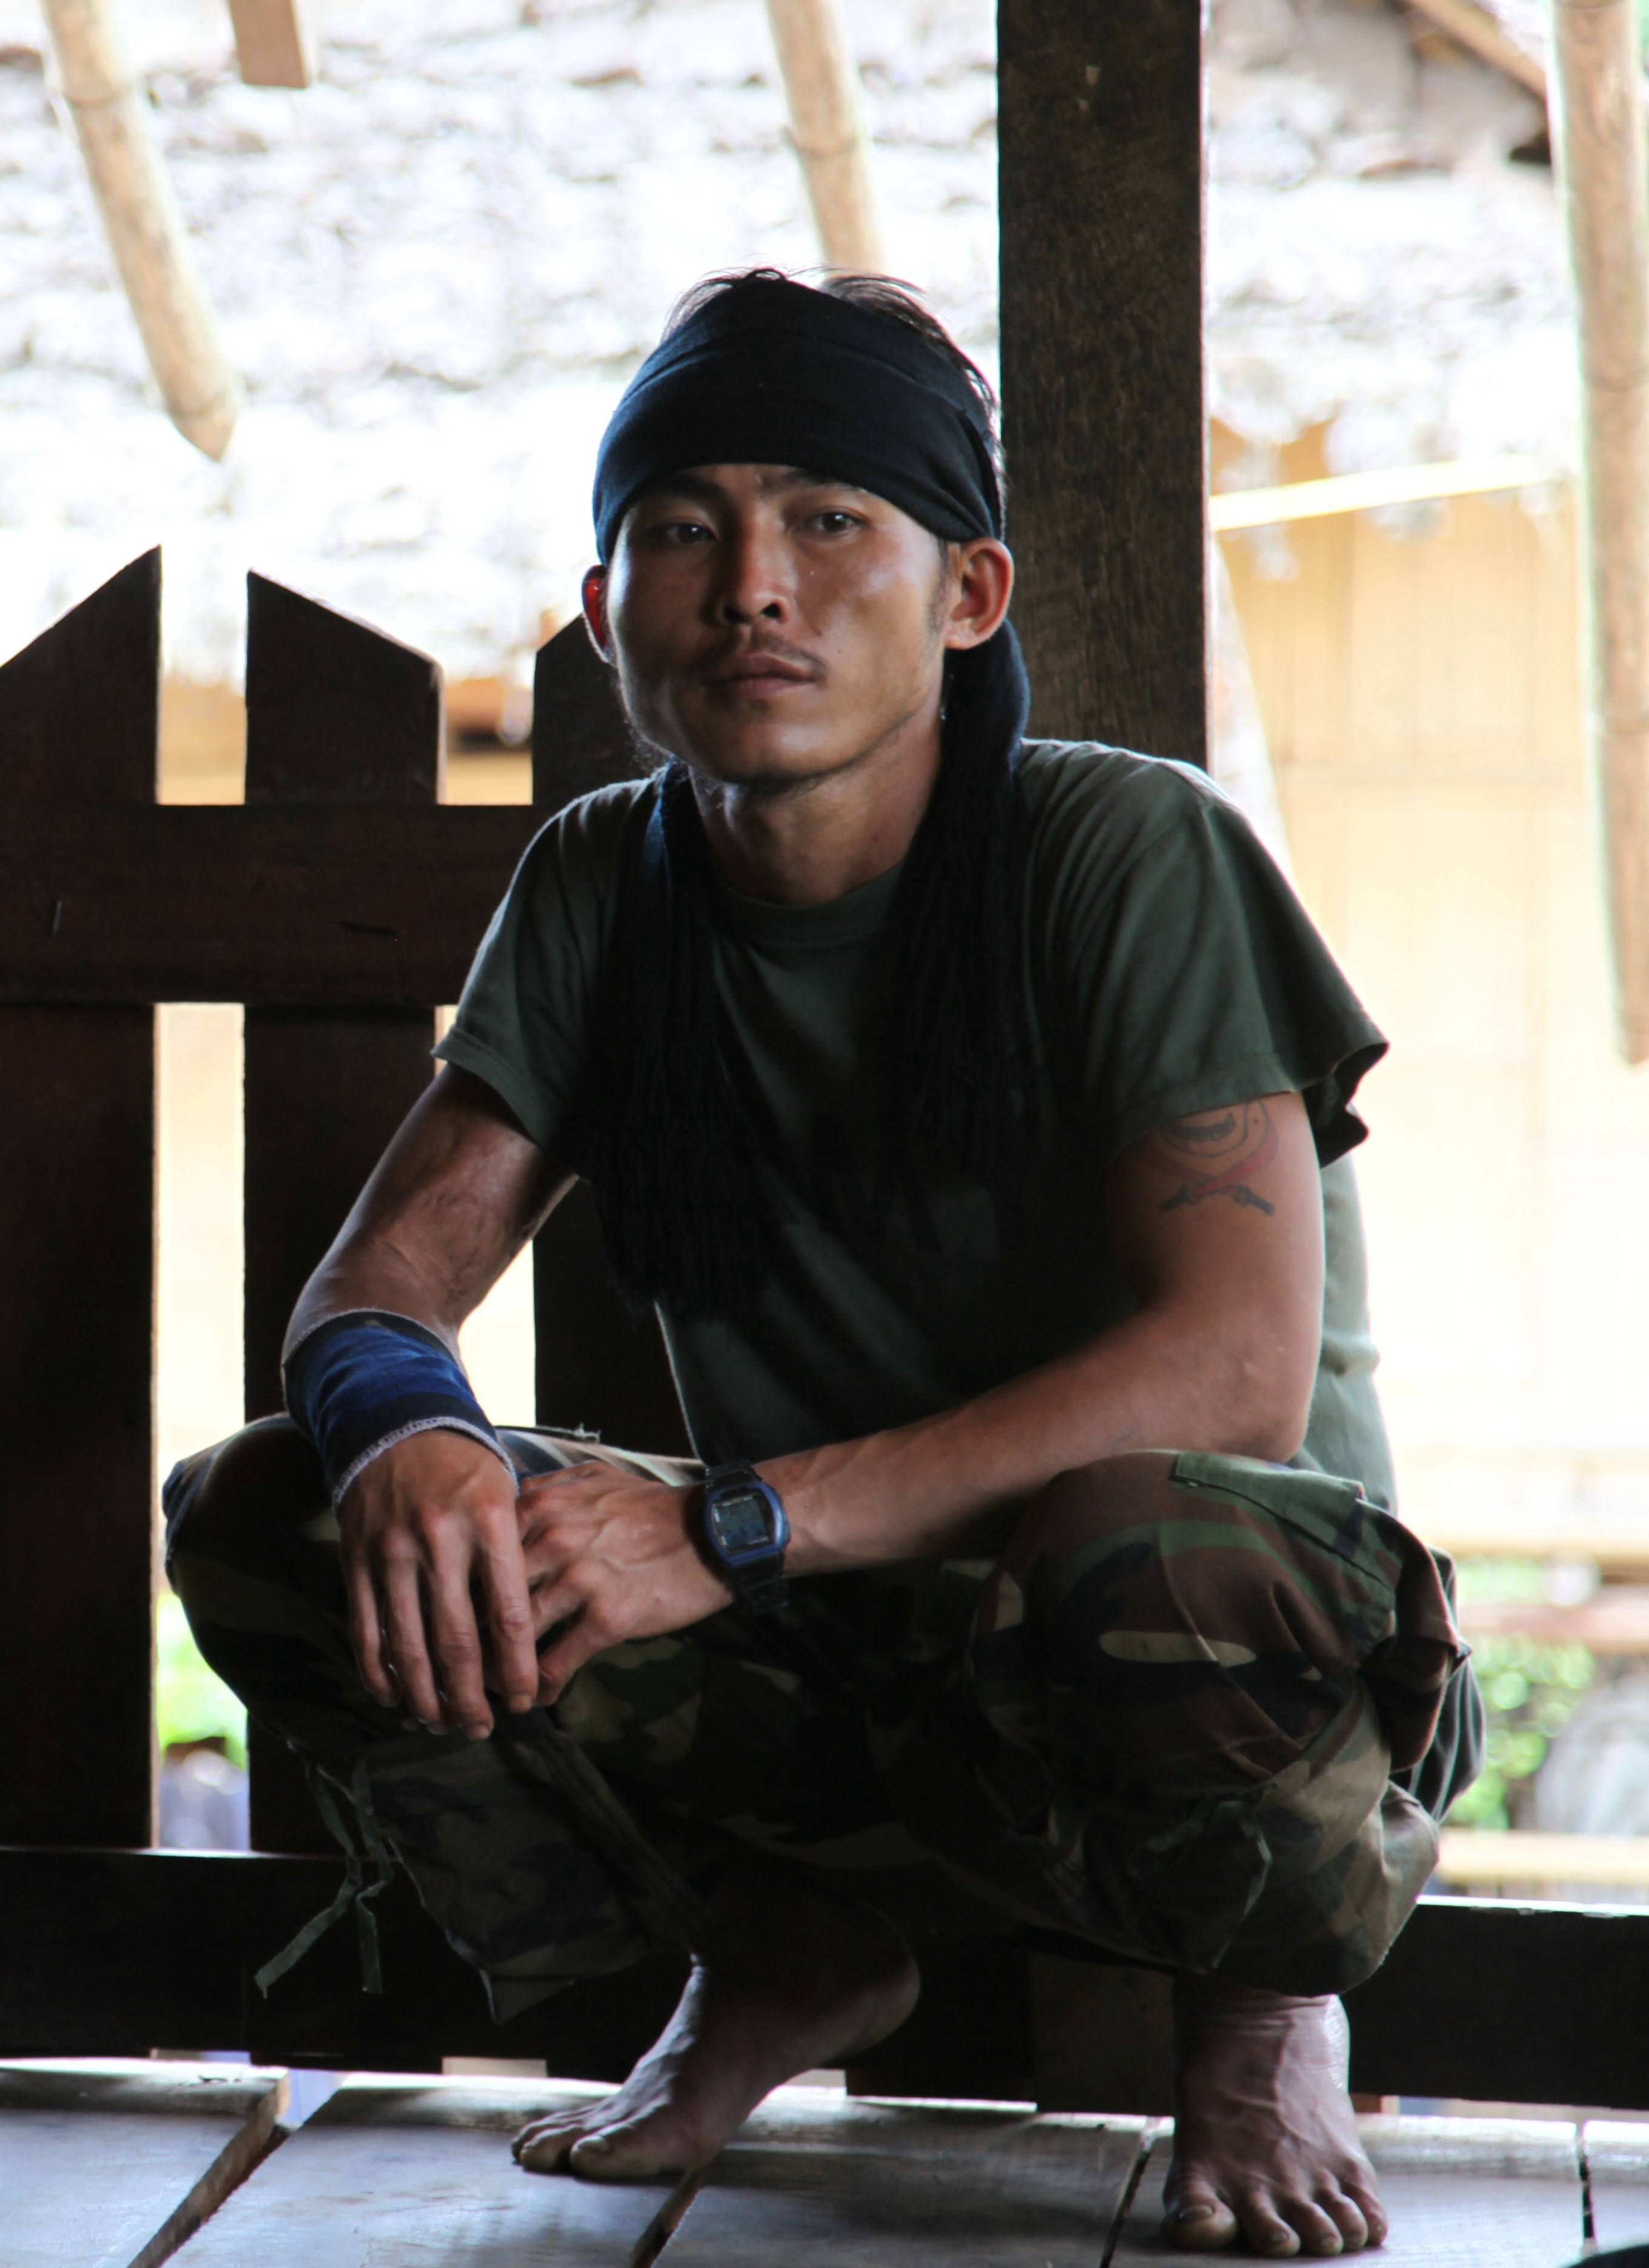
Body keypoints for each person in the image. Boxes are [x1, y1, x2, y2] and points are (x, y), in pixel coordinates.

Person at [167, 270, 1480, 2258]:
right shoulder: (605, 883)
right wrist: (408, 1435)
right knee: (280, 1509)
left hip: (1217, 1663)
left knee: (1143, 1534)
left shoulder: (1121, 849)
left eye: (828, 519)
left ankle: (1260, 1992)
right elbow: (372, 1294)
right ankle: (783, 1940)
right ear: (605, 613)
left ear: (967, 594)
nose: (753, 588)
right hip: (829, 1641)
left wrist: (735, 1525)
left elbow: (1228, 1373)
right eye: (683, 531)